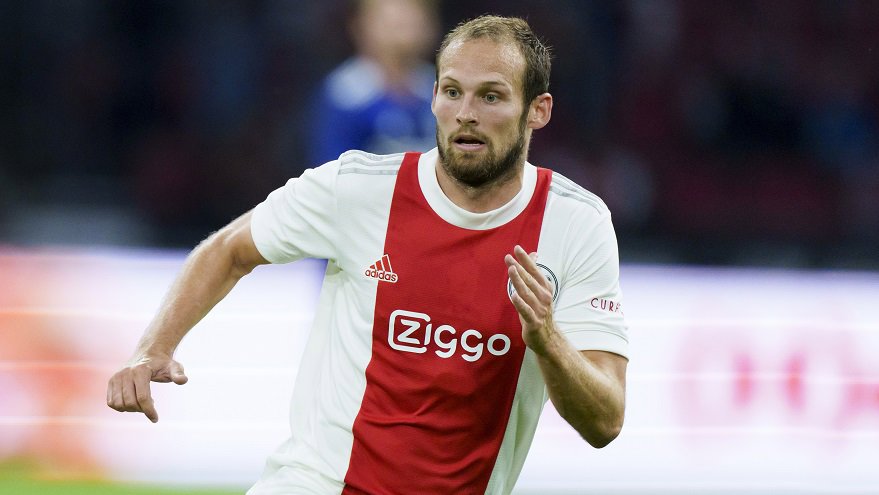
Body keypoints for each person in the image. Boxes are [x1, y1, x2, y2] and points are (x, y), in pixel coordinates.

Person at [107, 14, 629, 495]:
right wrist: (152, 348)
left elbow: (605, 422)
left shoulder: (575, 224)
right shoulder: (356, 187)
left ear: (538, 110)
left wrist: (549, 342)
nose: (466, 114)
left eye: (491, 96)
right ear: (433, 96)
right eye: (452, 92)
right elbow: (229, 249)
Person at [308, 0, 440, 165]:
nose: (404, 30)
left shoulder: (441, 84)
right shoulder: (345, 93)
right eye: (392, 22)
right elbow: (331, 166)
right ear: (360, 26)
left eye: (413, 20)